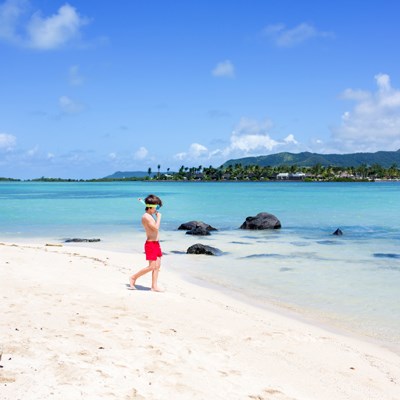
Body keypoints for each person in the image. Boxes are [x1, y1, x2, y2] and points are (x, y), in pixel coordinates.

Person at [129, 194, 164, 292]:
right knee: (152, 266)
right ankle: (133, 277)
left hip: (156, 244)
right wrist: (159, 217)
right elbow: (156, 228)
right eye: (157, 207)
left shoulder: (150, 215)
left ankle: (154, 286)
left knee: (157, 266)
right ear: (150, 207)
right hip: (150, 244)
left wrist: (156, 215)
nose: (157, 209)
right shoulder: (146, 217)